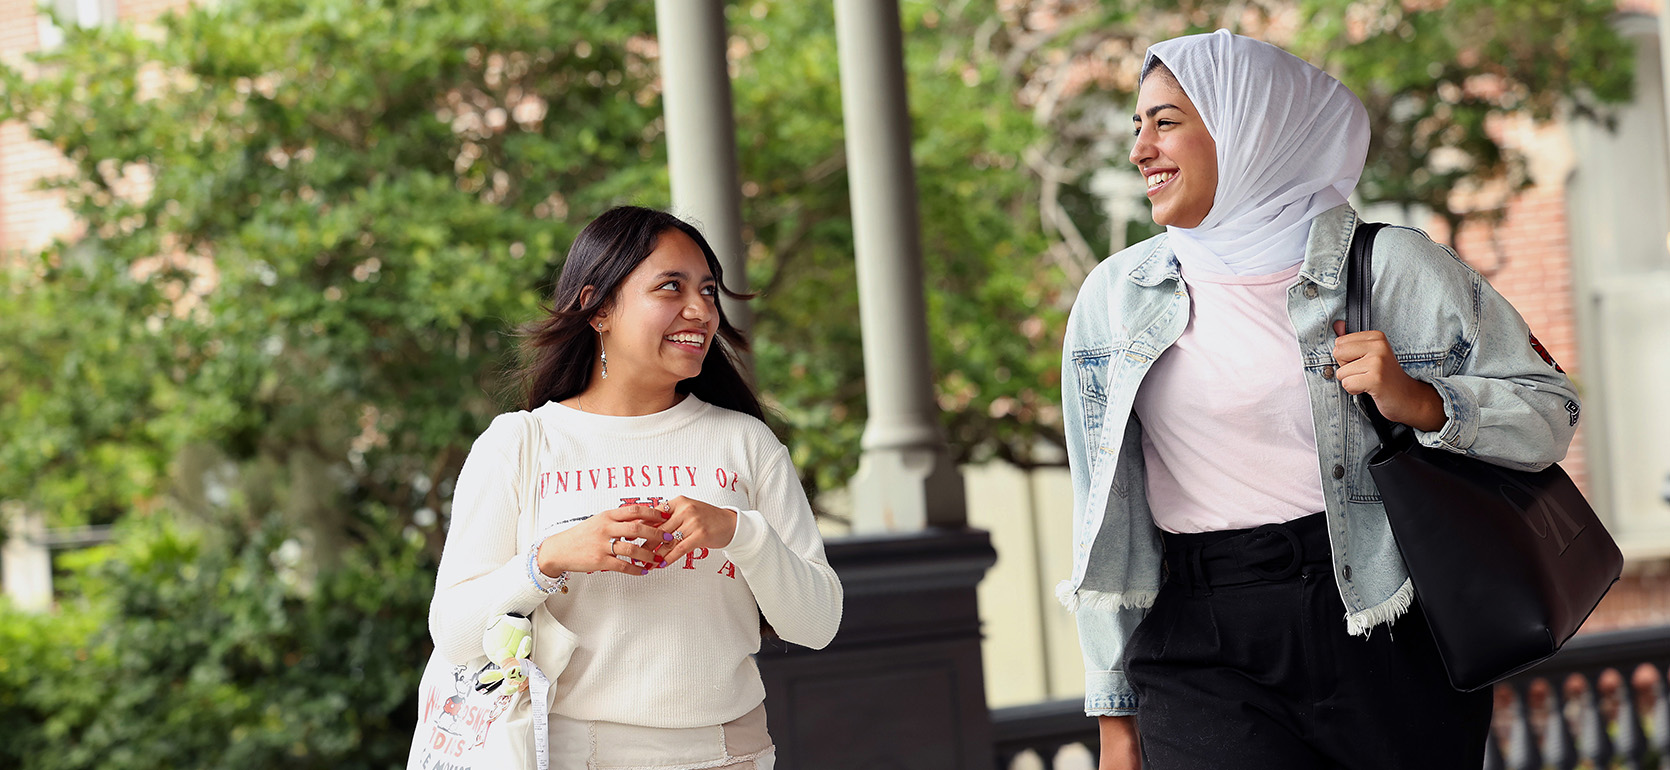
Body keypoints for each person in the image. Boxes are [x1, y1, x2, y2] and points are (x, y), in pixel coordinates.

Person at [1058, 30, 1579, 770]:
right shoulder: (1115, 299)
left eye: (1166, 120)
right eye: (1136, 125)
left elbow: (1549, 411)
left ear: (1251, 127)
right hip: (1200, 632)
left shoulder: (1392, 267)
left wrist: (1424, 402)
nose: (1141, 148)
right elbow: (1100, 515)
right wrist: (1114, 715)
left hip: (1384, 624)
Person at [429, 205, 843, 769]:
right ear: (598, 308)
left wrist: (738, 532)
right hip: (572, 756)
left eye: (707, 290)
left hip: (727, 755)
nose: (700, 310)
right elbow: (453, 635)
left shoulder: (747, 444)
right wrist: (548, 560)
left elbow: (818, 624)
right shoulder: (521, 445)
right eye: (670, 287)